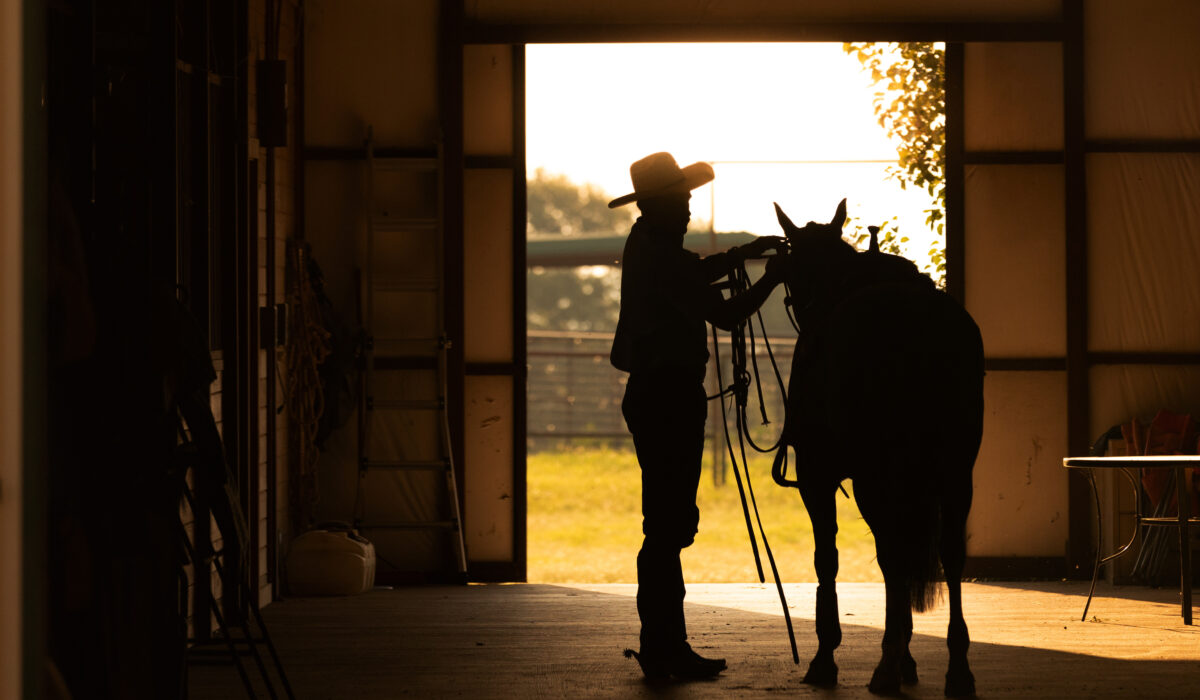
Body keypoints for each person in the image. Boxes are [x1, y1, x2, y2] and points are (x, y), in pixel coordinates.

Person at [609, 152, 785, 680]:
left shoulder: (649, 246)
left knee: (665, 525)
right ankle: (664, 649)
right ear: (660, 204)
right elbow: (728, 314)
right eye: (682, 200)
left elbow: (694, 270)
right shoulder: (664, 258)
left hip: (658, 396)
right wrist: (772, 276)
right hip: (668, 400)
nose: (688, 209)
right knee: (667, 527)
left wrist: (744, 253)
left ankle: (665, 644)